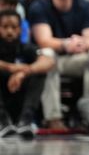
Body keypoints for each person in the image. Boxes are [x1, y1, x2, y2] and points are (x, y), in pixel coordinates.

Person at [30, 0, 89, 131]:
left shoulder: (85, 6)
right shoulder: (39, 7)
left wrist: (81, 43)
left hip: (76, 59)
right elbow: (43, 41)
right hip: (54, 59)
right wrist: (66, 44)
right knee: (47, 55)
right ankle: (53, 117)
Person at [0, 9, 55, 138]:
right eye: (5, 27)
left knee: (39, 73)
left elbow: (48, 61)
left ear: (20, 29)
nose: (9, 31)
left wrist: (24, 72)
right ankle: (2, 122)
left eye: (14, 27)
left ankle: (25, 121)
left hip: (19, 98)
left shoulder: (25, 47)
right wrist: (11, 68)